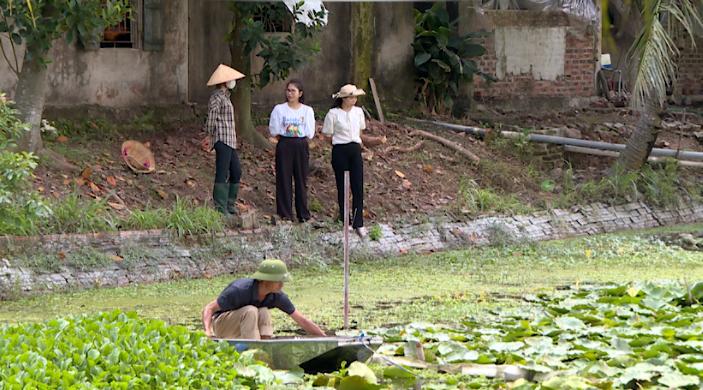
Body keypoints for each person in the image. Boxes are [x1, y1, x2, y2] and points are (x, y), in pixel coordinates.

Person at [202, 259, 326, 339]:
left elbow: (302, 321)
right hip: (223, 325)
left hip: (246, 325)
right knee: (251, 310)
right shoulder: (239, 290)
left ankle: (264, 344)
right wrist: (207, 331)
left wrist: (326, 339)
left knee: (264, 311)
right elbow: (209, 308)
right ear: (265, 280)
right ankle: (253, 349)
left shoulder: (276, 295)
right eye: (278, 281)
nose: (281, 285)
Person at [321, 84, 368, 237]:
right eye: (351, 97)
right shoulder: (333, 114)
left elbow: (360, 130)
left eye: (355, 97)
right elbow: (328, 134)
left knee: (358, 185)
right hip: (340, 149)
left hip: (355, 149)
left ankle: (358, 221)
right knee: (343, 185)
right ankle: (345, 220)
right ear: (343, 99)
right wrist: (339, 143)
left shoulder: (358, 112)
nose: (353, 100)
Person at [202, 64, 245, 219]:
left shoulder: (226, 97)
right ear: (225, 82)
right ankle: (220, 208)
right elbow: (212, 116)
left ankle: (229, 204)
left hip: (230, 139)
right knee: (222, 172)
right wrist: (208, 134)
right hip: (221, 138)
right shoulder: (217, 97)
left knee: (236, 171)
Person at [269, 79, 316, 223]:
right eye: (288, 90)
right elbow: (274, 129)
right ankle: (285, 213)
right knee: (284, 178)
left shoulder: (307, 110)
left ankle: (303, 213)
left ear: (300, 93)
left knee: (301, 179)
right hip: (284, 144)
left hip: (300, 145)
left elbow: (309, 132)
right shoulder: (279, 109)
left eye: (293, 91)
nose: (290, 93)